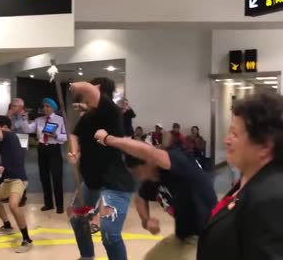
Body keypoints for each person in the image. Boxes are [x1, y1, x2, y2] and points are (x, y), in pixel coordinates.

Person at [94, 129, 217, 260]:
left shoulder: (176, 161)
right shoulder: (152, 178)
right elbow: (140, 198)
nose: (139, 178)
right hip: (183, 236)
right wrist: (146, 220)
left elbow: (149, 152)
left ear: (148, 162)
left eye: (137, 173)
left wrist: (109, 139)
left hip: (206, 237)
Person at [198, 92, 283, 260]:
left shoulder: (270, 199)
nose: (226, 141)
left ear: (265, 146)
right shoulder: (249, 181)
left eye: (235, 134)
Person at [68, 78, 135, 260]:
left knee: (109, 233)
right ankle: (87, 256)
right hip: (92, 182)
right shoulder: (88, 116)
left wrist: (72, 86)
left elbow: (87, 88)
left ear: (98, 89)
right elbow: (74, 134)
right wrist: (75, 152)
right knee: (77, 218)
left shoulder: (110, 111)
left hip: (114, 184)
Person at [0, 116, 33, 253]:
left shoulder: (9, 135)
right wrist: (2, 166)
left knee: (13, 205)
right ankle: (7, 225)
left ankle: (26, 239)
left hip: (18, 180)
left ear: (2, 127)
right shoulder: (7, 140)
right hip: (8, 180)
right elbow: (10, 155)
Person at [23, 97, 67, 213]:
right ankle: (48, 204)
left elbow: (65, 136)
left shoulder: (60, 120)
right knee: (44, 177)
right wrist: (24, 118)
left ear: (53, 108)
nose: (45, 108)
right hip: (42, 148)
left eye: (48, 106)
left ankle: (60, 206)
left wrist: (56, 136)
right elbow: (28, 129)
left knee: (57, 178)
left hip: (54, 149)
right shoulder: (38, 120)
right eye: (44, 106)